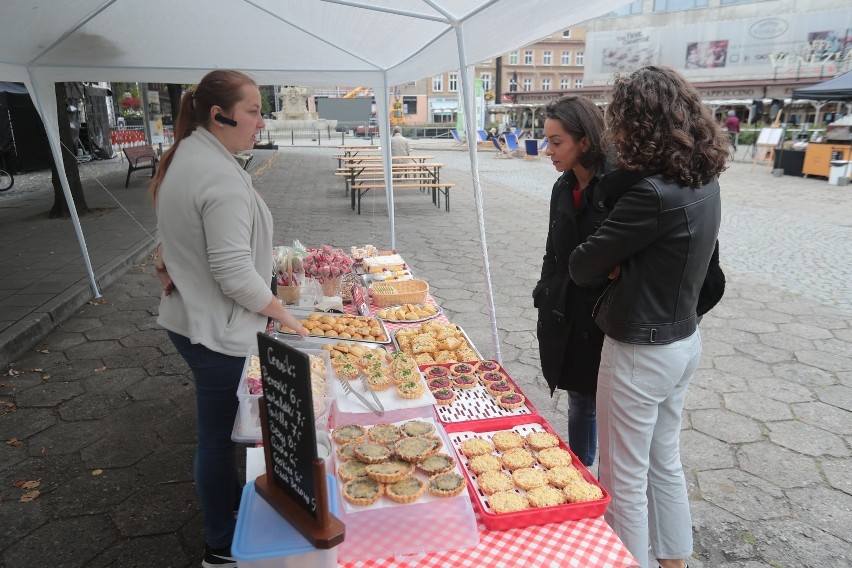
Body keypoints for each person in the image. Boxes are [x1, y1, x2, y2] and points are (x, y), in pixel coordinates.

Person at [568, 66, 726, 568]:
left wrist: (618, 261)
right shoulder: (702, 178)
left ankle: (630, 560)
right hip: (682, 340)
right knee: (665, 463)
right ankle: (674, 559)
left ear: (636, 125)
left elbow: (581, 264)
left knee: (623, 480)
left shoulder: (651, 193)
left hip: (641, 348)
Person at [150, 69, 307, 568]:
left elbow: (181, 236)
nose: (262, 120)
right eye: (254, 110)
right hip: (215, 331)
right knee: (217, 439)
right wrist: (285, 315)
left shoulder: (192, 155)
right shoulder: (215, 173)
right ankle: (220, 544)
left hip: (193, 319)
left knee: (217, 435)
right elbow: (234, 273)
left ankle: (232, 522)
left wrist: (171, 259)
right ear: (220, 115)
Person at [532, 95, 609, 467]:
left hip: (602, 314)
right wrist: (544, 290)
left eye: (556, 141)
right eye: (547, 140)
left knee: (594, 397)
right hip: (566, 306)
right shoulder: (563, 186)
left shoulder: (615, 189)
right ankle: (582, 466)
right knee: (579, 394)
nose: (548, 150)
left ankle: (588, 469)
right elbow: (552, 248)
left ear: (586, 141)